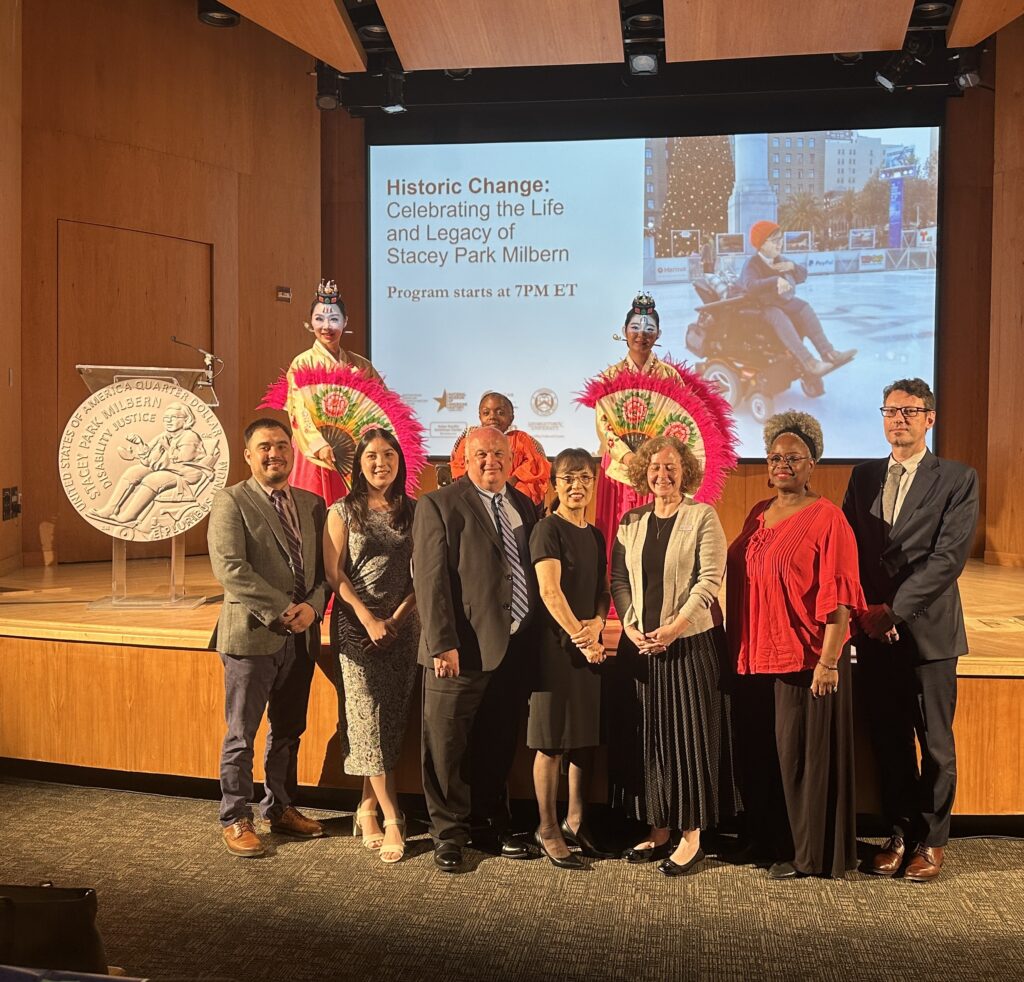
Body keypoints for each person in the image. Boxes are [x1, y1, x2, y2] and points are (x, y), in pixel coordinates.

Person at [843, 378, 979, 882]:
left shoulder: (958, 478)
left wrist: (893, 611)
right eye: (890, 411)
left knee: (936, 745)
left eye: (909, 411)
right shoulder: (861, 477)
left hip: (929, 633)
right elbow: (849, 551)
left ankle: (932, 840)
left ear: (929, 419)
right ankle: (899, 834)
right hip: (876, 632)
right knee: (889, 740)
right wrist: (867, 613)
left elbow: (947, 560)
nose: (898, 419)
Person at [727, 411, 865, 879]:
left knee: (799, 763)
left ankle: (809, 856)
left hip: (804, 661)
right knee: (761, 756)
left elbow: (840, 598)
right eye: (775, 457)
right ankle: (766, 840)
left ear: (813, 464)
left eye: (793, 457)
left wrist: (829, 662)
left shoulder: (829, 520)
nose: (782, 464)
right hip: (752, 656)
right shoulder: (757, 513)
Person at [610, 435, 740, 877]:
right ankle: (659, 827)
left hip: (689, 646)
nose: (662, 475)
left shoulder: (702, 516)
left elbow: (709, 580)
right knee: (652, 740)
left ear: (686, 472)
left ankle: (691, 836)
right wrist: (630, 626)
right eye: (655, 468)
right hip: (642, 648)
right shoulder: (631, 520)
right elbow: (618, 579)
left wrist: (674, 628)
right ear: (643, 472)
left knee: (689, 739)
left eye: (671, 467)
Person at [412, 425, 539, 872]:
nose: (492, 461)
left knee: (497, 742)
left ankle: (488, 824)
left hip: (512, 650)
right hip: (459, 652)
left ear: (511, 458)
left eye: (499, 453)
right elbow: (430, 581)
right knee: (446, 746)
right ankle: (448, 833)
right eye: (482, 454)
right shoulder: (439, 504)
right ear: (464, 459)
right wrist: (442, 643)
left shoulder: (524, 505)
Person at [207, 418, 330, 857]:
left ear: (292, 451)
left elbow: (324, 573)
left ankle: (279, 807)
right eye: (264, 447)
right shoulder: (231, 501)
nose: (274, 453)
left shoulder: (314, 504)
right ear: (248, 454)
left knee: (289, 730)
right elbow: (230, 569)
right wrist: (281, 610)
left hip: (301, 637)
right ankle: (235, 817)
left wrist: (313, 608)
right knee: (242, 733)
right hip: (251, 636)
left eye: (281, 445)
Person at [323, 428, 418, 864]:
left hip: (402, 627)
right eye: (372, 457)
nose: (381, 463)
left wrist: (396, 619)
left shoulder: (415, 510)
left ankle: (364, 807)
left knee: (388, 721)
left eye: (388, 455)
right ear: (358, 464)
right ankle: (395, 816)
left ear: (399, 460)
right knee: (366, 720)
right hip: (356, 628)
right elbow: (334, 574)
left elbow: (424, 576)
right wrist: (367, 618)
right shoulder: (342, 510)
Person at [528, 449, 610, 869]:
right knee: (550, 742)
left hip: (588, 647)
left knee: (582, 740)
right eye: (568, 479)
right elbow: (549, 593)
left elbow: (602, 591)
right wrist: (582, 638)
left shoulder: (595, 534)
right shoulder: (547, 528)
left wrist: (597, 625)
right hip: (554, 651)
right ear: (555, 485)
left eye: (584, 478)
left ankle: (575, 822)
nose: (577, 486)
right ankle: (547, 828)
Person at [594, 292, 682, 577]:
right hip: (621, 467)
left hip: (658, 469)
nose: (641, 335)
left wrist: (654, 458)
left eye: (648, 329)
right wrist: (629, 456)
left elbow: (680, 420)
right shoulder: (610, 377)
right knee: (619, 527)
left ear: (658, 334)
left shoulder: (670, 377)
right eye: (635, 328)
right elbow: (603, 424)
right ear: (624, 332)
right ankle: (618, 586)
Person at [285, 279, 382, 504]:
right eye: (319, 319)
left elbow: (381, 406)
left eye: (334, 319)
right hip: (314, 452)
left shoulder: (361, 366)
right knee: (315, 511)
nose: (326, 326)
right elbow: (298, 411)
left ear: (345, 321)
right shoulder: (302, 364)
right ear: (310, 322)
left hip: (352, 451)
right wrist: (319, 444)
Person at [739, 221, 855, 379]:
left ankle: (829, 353)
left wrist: (792, 267)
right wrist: (774, 280)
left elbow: (803, 275)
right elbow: (750, 286)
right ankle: (809, 362)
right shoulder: (752, 264)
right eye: (775, 240)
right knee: (778, 315)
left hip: (776, 302)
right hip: (757, 307)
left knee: (803, 307)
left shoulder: (780, 259)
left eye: (780, 239)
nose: (780, 244)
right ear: (761, 244)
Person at [89, 402, 217, 526]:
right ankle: (110, 509)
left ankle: (129, 516)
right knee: (133, 472)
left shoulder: (190, 436)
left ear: (186, 420)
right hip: (167, 468)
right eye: (166, 418)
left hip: (185, 472)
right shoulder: (164, 435)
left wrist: (166, 446)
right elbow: (148, 460)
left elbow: (182, 458)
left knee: (153, 479)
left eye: (173, 417)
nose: (168, 420)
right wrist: (140, 444)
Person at [449, 392, 551, 509]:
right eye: (486, 413)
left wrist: (512, 479)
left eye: (500, 413)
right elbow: (460, 469)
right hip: (478, 493)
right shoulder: (470, 440)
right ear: (480, 417)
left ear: (511, 418)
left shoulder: (520, 439)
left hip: (513, 492)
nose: (492, 417)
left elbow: (533, 464)